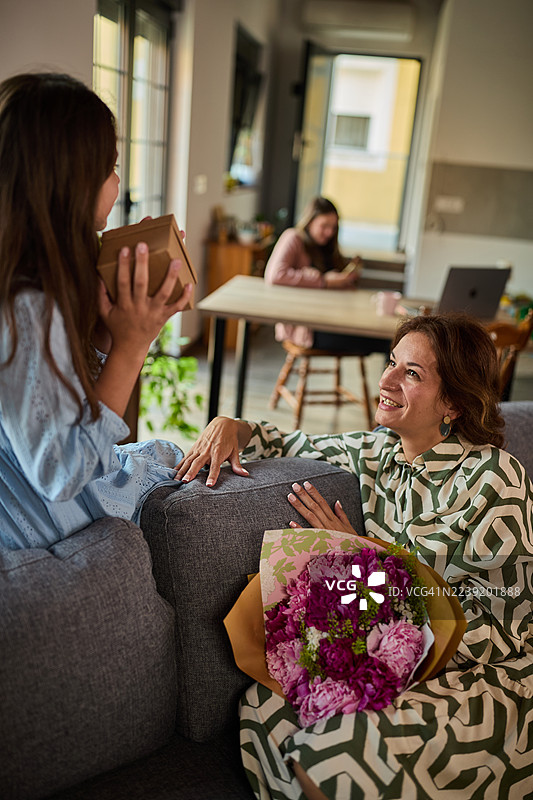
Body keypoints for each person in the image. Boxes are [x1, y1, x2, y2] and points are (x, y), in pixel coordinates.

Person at [176, 313, 533, 799]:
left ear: (453, 401)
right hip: (382, 654)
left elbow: (498, 620)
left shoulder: (496, 476)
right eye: (392, 362)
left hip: (487, 674)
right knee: (265, 705)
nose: (385, 380)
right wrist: (230, 425)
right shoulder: (376, 452)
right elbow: (287, 441)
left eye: (412, 373)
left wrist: (365, 557)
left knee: (340, 747)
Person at [0, 72, 193, 550]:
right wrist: (132, 345)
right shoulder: (25, 306)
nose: (117, 181)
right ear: (69, 182)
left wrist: (109, 333)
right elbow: (62, 472)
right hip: (47, 522)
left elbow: (54, 401)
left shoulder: (32, 279)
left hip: (40, 498)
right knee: (175, 467)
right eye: (109, 168)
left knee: (166, 453)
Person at [265, 196, 388, 354]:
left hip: (334, 319)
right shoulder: (294, 237)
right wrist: (324, 281)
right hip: (308, 329)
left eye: (333, 227)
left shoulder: (328, 246)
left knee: (385, 337)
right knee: (386, 341)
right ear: (310, 222)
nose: (329, 232)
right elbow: (275, 275)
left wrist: (347, 277)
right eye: (324, 226)